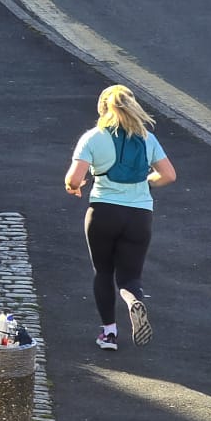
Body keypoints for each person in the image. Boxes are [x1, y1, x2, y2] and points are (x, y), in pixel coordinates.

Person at [63, 84, 177, 351]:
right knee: (129, 278)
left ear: (102, 109)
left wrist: (73, 186)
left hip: (103, 212)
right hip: (140, 216)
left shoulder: (93, 137)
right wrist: (147, 182)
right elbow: (169, 175)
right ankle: (133, 300)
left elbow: (74, 178)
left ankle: (109, 334)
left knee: (103, 271)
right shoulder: (147, 138)